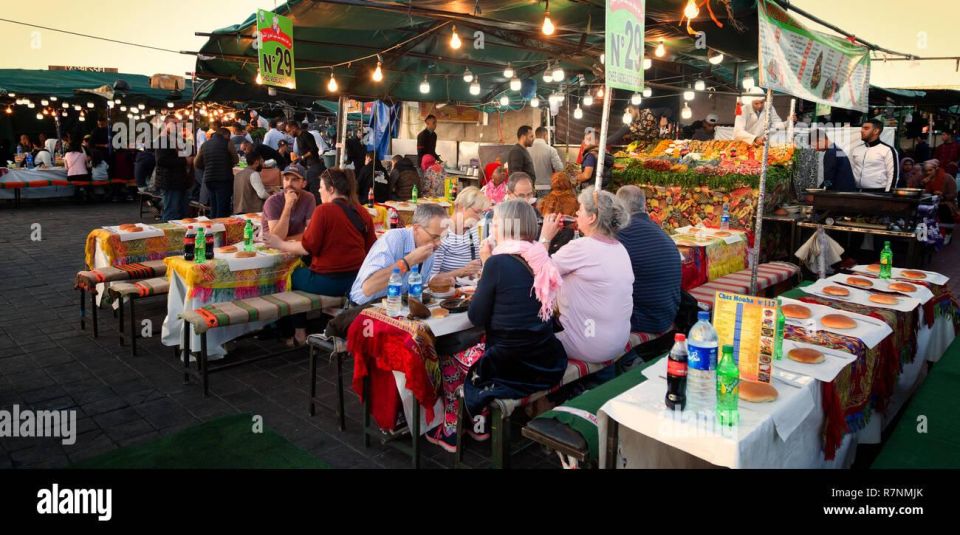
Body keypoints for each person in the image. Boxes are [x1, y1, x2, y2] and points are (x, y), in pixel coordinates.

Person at [426, 200, 568, 452]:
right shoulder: (538, 254)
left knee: (447, 356)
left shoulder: (498, 262)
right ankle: (477, 425)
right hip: (546, 358)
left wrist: (486, 261)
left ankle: (452, 430)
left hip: (512, 366)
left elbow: (477, 316)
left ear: (503, 226)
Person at [265, 168, 377, 346]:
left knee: (291, 275)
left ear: (331, 189)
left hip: (329, 282)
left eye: (321, 187)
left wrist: (279, 244)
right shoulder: (362, 212)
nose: (319, 190)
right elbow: (372, 247)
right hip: (356, 280)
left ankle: (298, 332)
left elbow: (307, 247)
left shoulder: (323, 211)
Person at [539, 187, 633, 363]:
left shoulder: (581, 247)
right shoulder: (620, 248)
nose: (576, 212)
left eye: (580, 209)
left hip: (589, 344)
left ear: (592, 217)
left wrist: (545, 236)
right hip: (618, 341)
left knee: (527, 341)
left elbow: (540, 273)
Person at [349, 203, 451, 305]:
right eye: (434, 237)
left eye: (442, 237)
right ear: (416, 228)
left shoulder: (429, 249)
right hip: (363, 307)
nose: (439, 243)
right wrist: (408, 261)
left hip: (395, 306)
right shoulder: (394, 239)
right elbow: (368, 288)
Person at [615, 186, 680, 336]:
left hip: (643, 320)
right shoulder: (660, 233)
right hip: (667, 315)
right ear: (644, 205)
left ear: (618, 207)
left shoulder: (622, 234)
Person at [428, 186, 487, 280]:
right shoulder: (441, 233)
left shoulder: (476, 229)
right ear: (460, 207)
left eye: (482, 213)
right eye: (477, 212)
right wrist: (462, 271)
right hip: (449, 290)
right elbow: (431, 279)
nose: (480, 217)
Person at [262, 163, 317, 240]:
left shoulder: (308, 198)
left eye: (294, 180)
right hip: (270, 250)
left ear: (304, 183)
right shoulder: (272, 202)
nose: (289, 184)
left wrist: (286, 240)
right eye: (286, 179)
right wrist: (288, 206)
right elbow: (276, 238)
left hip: (295, 247)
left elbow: (312, 233)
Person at [194, 127, 239, 217]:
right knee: (222, 208)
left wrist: (207, 166)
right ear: (226, 135)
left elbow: (196, 163)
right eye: (229, 136)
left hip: (209, 179)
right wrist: (228, 163)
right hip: (223, 179)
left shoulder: (205, 144)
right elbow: (236, 159)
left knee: (213, 206)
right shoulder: (228, 143)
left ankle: (213, 227)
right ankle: (221, 228)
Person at [155, 117, 191, 221]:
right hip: (170, 181)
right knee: (172, 212)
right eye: (174, 123)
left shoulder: (178, 139)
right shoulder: (163, 139)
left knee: (182, 212)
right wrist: (185, 161)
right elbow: (161, 160)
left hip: (180, 180)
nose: (177, 126)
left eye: (178, 124)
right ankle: (167, 235)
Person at [850, 119, 899, 192]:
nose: (862, 131)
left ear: (876, 131)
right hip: (856, 192)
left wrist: (888, 194)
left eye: (866, 128)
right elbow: (851, 170)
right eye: (862, 128)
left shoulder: (888, 150)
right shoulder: (857, 149)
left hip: (878, 193)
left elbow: (893, 175)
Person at [287, 121, 324, 199]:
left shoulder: (306, 135)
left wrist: (302, 157)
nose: (289, 134)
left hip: (314, 166)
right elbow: (302, 154)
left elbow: (314, 149)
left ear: (294, 128)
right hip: (307, 167)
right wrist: (296, 161)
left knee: (314, 191)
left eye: (289, 131)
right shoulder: (298, 138)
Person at [529, 126, 564, 195]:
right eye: (548, 136)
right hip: (547, 186)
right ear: (545, 135)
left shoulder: (527, 149)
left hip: (530, 187)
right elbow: (560, 168)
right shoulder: (551, 150)